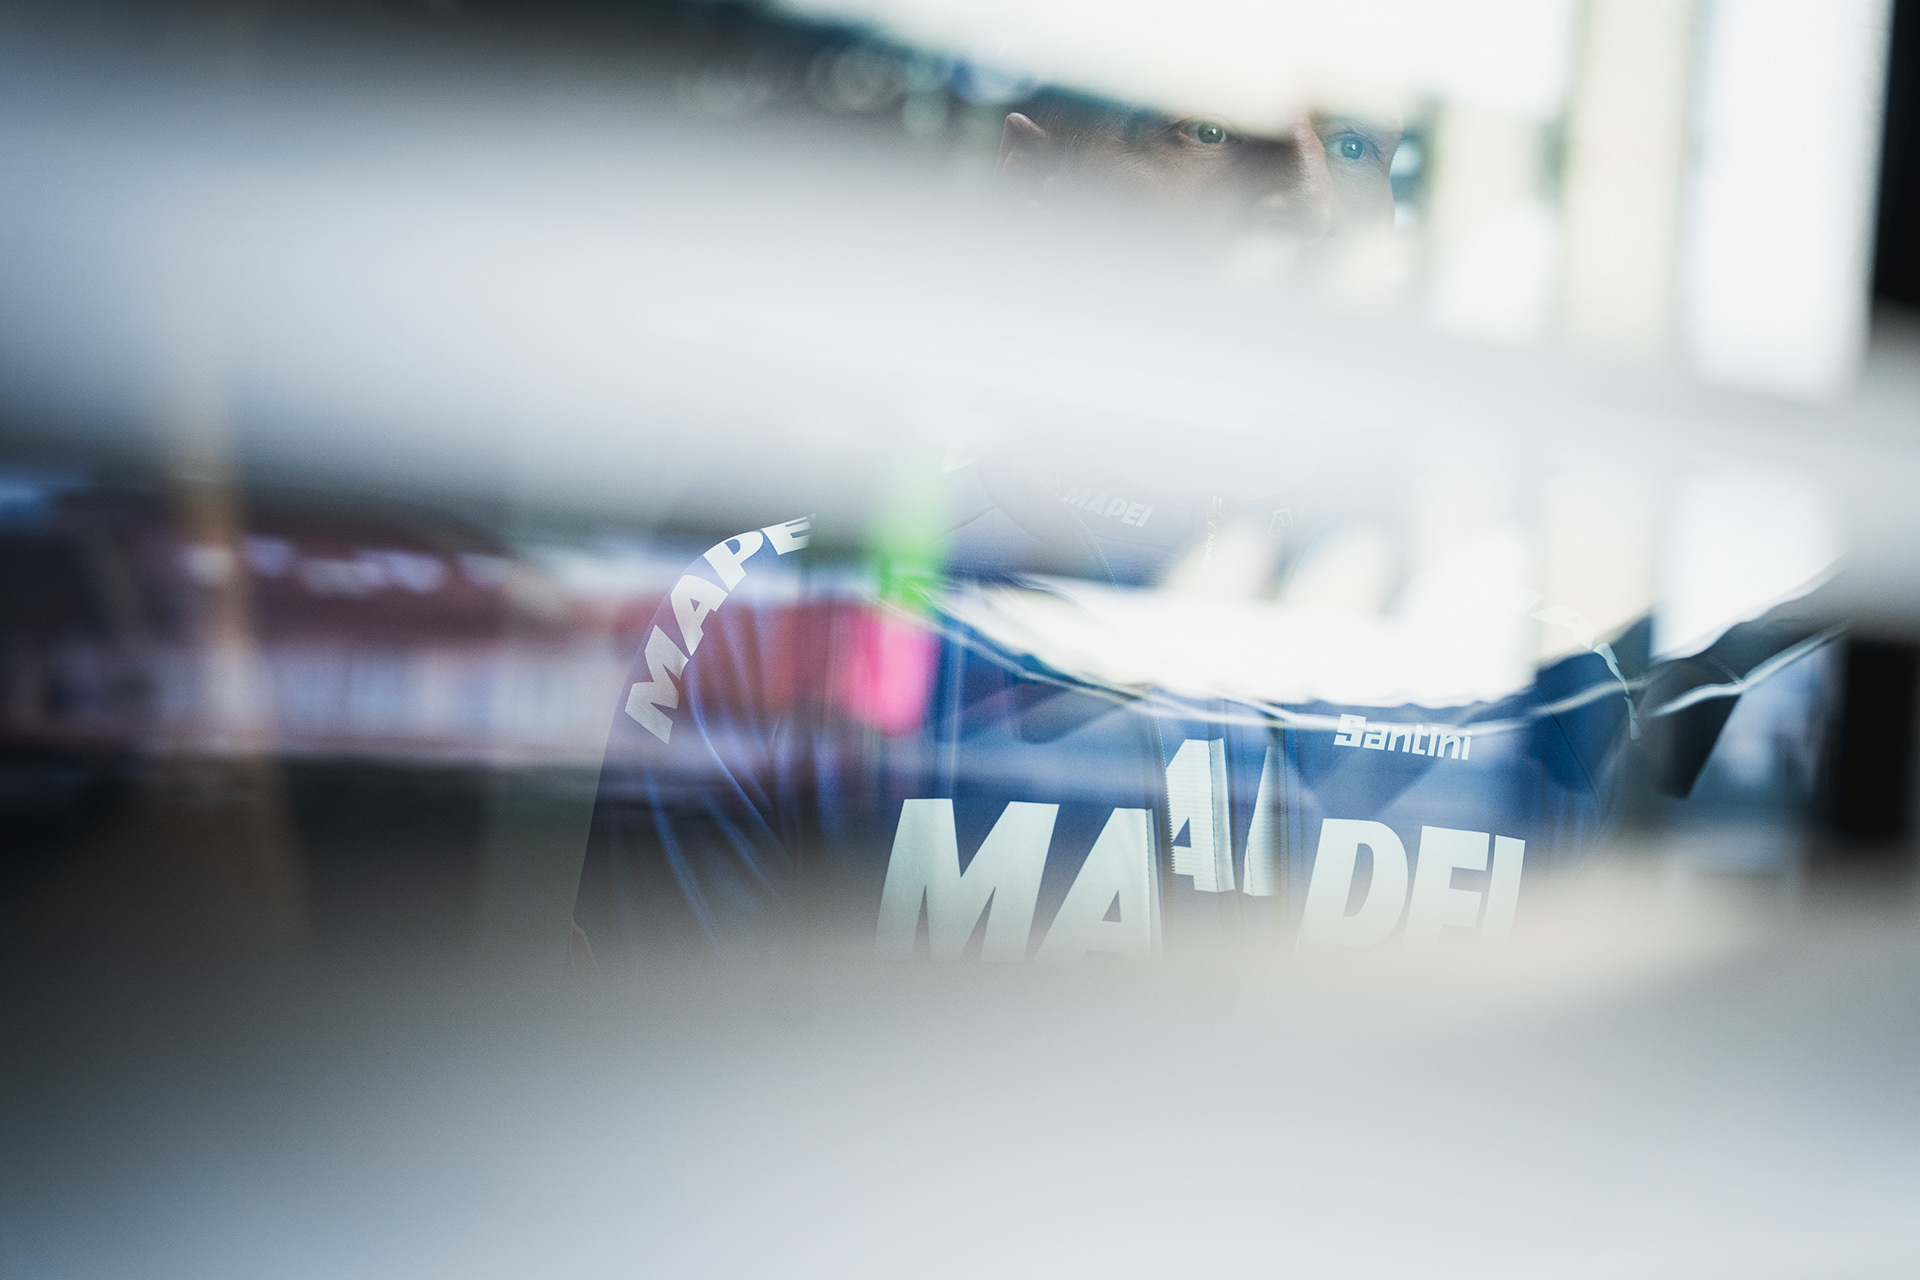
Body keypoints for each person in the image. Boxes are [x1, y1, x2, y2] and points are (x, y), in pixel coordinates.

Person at [567, 93, 1830, 974]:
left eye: (1355, 138)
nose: (1307, 193)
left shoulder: (1533, 698)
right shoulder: (783, 629)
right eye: (1208, 125)